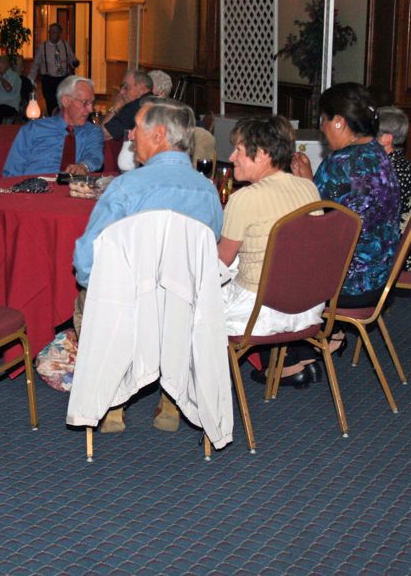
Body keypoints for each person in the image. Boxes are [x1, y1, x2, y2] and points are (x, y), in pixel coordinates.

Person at [73, 98, 223, 433]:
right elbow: (208, 248)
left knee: (84, 302)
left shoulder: (125, 188)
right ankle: (171, 398)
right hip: (182, 305)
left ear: (158, 135)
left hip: (129, 304)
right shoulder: (207, 191)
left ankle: (113, 398)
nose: (129, 136)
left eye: (136, 129)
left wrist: (94, 286)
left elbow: (86, 258)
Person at [292, 82, 400, 354]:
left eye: (324, 120)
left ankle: (293, 359)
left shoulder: (339, 164)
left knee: (275, 267)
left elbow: (313, 222)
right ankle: (333, 333)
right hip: (381, 276)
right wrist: (311, 182)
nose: (321, 127)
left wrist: (305, 184)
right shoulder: (379, 152)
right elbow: (342, 214)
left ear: (339, 122)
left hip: (348, 284)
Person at [219, 116, 323, 387]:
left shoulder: (244, 199)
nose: (231, 157)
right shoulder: (309, 188)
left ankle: (198, 389)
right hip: (307, 306)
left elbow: (220, 261)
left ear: (263, 154)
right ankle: (293, 358)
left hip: (260, 313)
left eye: (238, 150)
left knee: (188, 297)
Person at [2, 75, 104, 177]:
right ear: (66, 101)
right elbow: (12, 171)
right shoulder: (34, 129)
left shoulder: (92, 131)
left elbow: (94, 156)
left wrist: (84, 166)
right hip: (34, 184)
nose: (91, 109)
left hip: (74, 185)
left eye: (92, 103)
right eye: (85, 103)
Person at [377, 106, 411, 271]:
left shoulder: (390, 173)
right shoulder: (398, 163)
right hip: (406, 247)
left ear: (386, 139)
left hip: (398, 255)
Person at [29, 23, 80, 116]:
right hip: (49, 80)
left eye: (54, 32)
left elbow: (72, 59)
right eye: (50, 32)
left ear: (59, 33)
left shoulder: (65, 45)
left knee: (63, 103)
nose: (51, 34)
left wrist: (75, 62)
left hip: (63, 79)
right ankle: (53, 121)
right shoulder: (43, 47)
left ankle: (63, 121)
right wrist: (30, 79)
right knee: (51, 104)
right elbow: (36, 64)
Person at [101, 69, 153, 141]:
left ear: (141, 88)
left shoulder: (133, 107)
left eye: (126, 87)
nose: (121, 92)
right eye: (121, 87)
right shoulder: (159, 102)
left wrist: (116, 107)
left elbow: (103, 133)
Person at [0, 55, 22, 123]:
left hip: (10, 106)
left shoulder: (14, 76)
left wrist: (0, 78)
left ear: (6, 64)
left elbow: (8, 88)